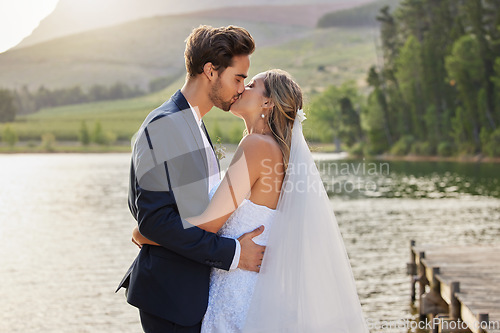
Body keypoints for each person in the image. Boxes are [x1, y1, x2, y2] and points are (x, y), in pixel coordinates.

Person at [134, 69, 370, 332]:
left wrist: (147, 233)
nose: (241, 88)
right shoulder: (275, 150)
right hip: (251, 286)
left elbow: (207, 226)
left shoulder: (257, 147)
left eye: (251, 85)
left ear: (267, 102)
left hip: (237, 288)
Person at [116, 25, 267, 333]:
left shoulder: (192, 123)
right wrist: (235, 254)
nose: (241, 88)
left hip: (192, 295)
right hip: (171, 299)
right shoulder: (168, 125)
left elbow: (189, 213)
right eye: (237, 77)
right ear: (211, 71)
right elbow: (156, 221)